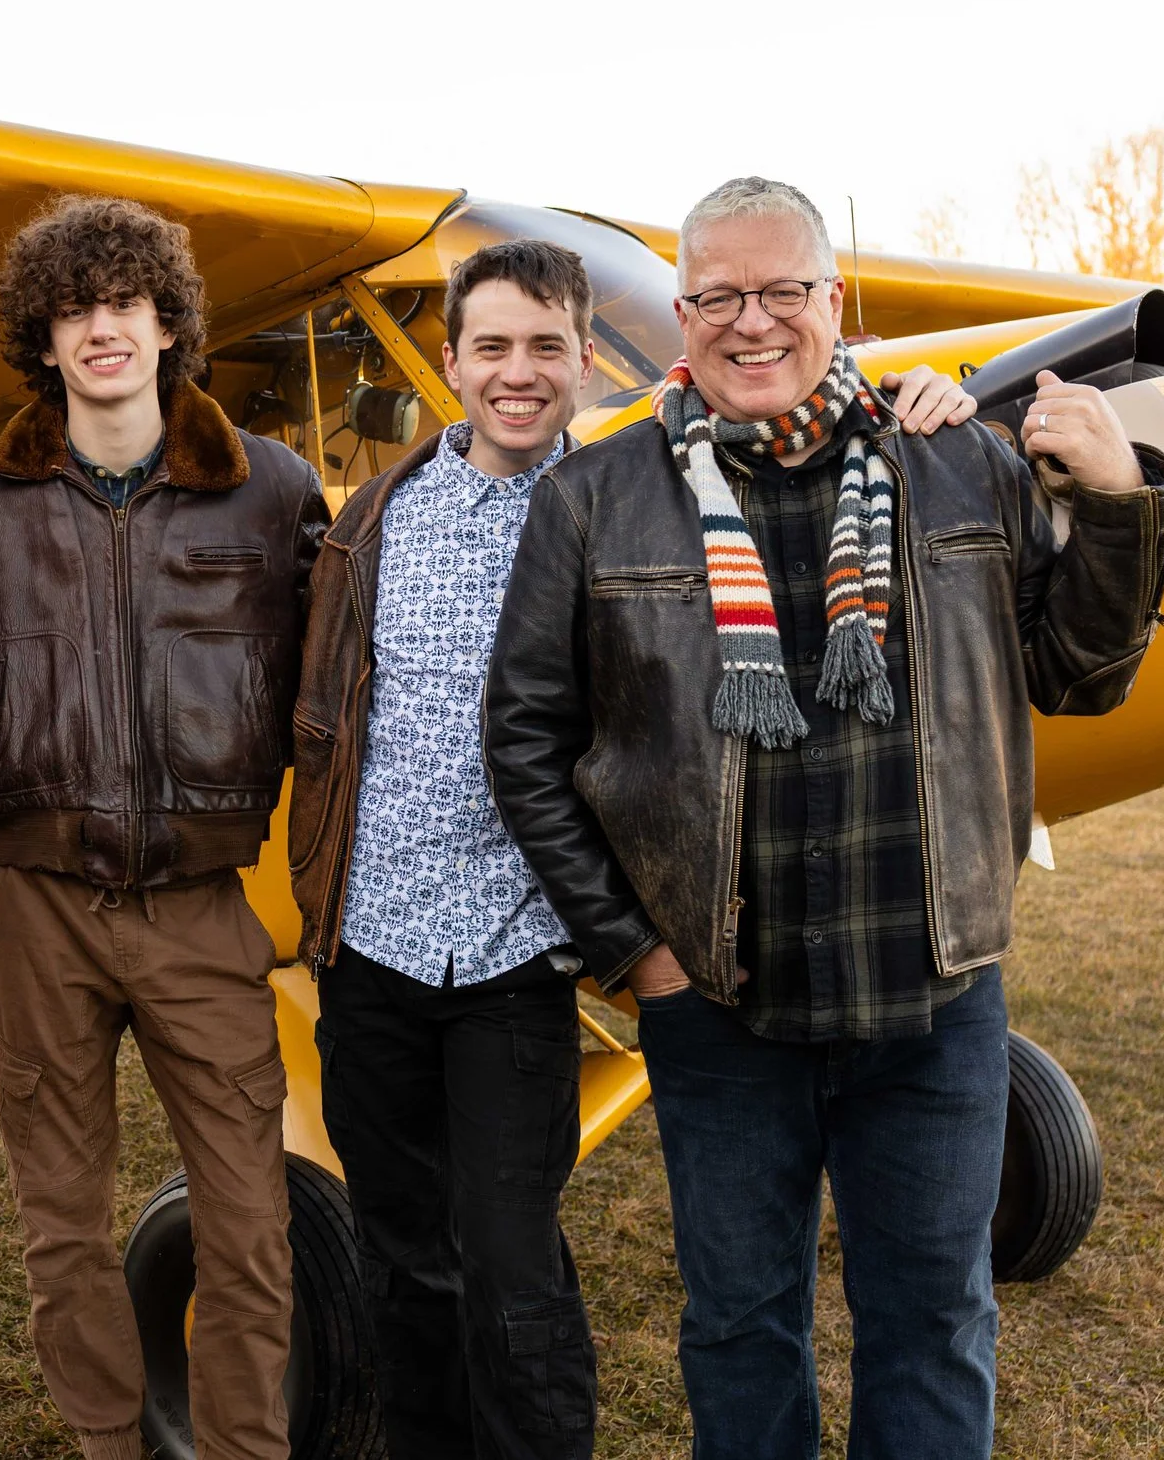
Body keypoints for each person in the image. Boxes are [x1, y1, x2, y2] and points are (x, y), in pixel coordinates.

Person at [486, 177, 1164, 1460]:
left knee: (931, 1321)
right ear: (684, 312)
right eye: (717, 296)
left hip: (929, 998)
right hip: (721, 1007)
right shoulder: (591, 497)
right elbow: (525, 744)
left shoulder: (956, 457)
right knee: (741, 1327)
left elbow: (1081, 673)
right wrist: (638, 957)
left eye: (781, 291)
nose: (751, 322)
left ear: (832, 301)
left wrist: (1120, 499)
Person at [289, 238, 978, 1460]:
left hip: (520, 945)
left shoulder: (631, 494)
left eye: (548, 346)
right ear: (447, 360)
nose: (517, 372)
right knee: (400, 1253)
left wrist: (919, 393)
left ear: (585, 363)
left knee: (509, 1259)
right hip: (374, 939)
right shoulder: (377, 515)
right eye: (489, 347)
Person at [0, 195, 327, 1460]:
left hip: (204, 904)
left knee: (251, 1221)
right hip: (37, 900)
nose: (101, 327)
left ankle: (243, 1450)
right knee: (62, 1220)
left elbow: (329, 686)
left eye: (124, 302)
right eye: (72, 309)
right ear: (40, 337)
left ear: (167, 322)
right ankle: (109, 1441)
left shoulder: (272, 490)